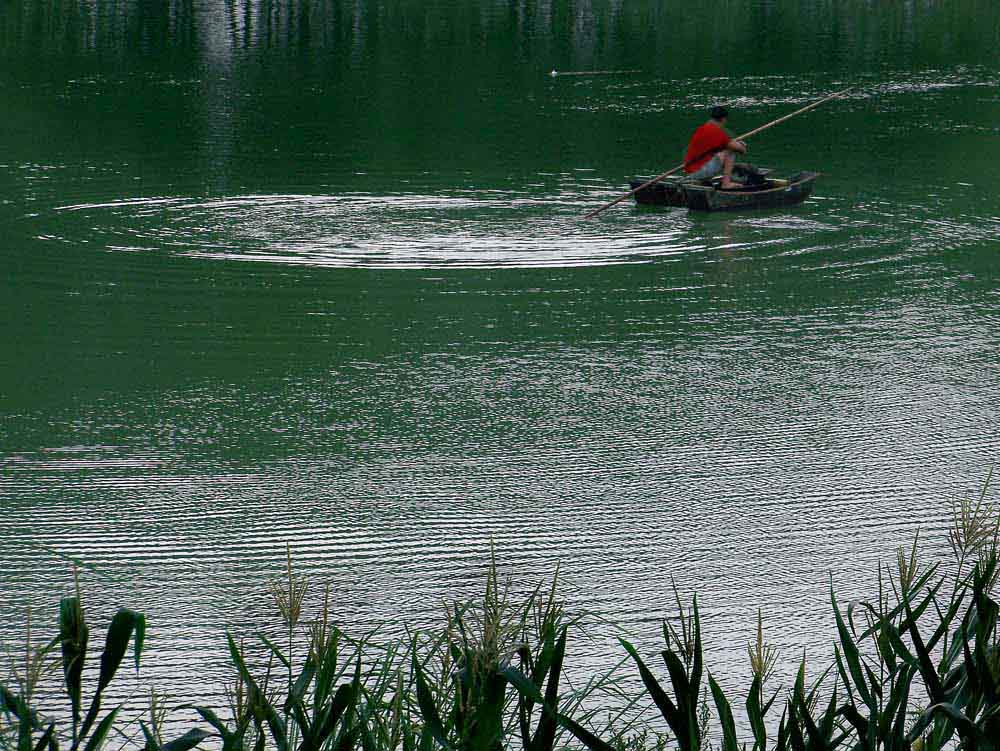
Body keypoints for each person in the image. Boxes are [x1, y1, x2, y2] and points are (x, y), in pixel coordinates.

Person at [683, 106, 747, 189]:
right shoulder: (718, 133)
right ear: (723, 119)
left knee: (723, 151)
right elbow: (741, 150)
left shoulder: (701, 129)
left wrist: (733, 144)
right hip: (700, 172)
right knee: (730, 151)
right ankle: (726, 184)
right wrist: (741, 145)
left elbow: (719, 146)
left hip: (690, 171)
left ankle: (703, 179)